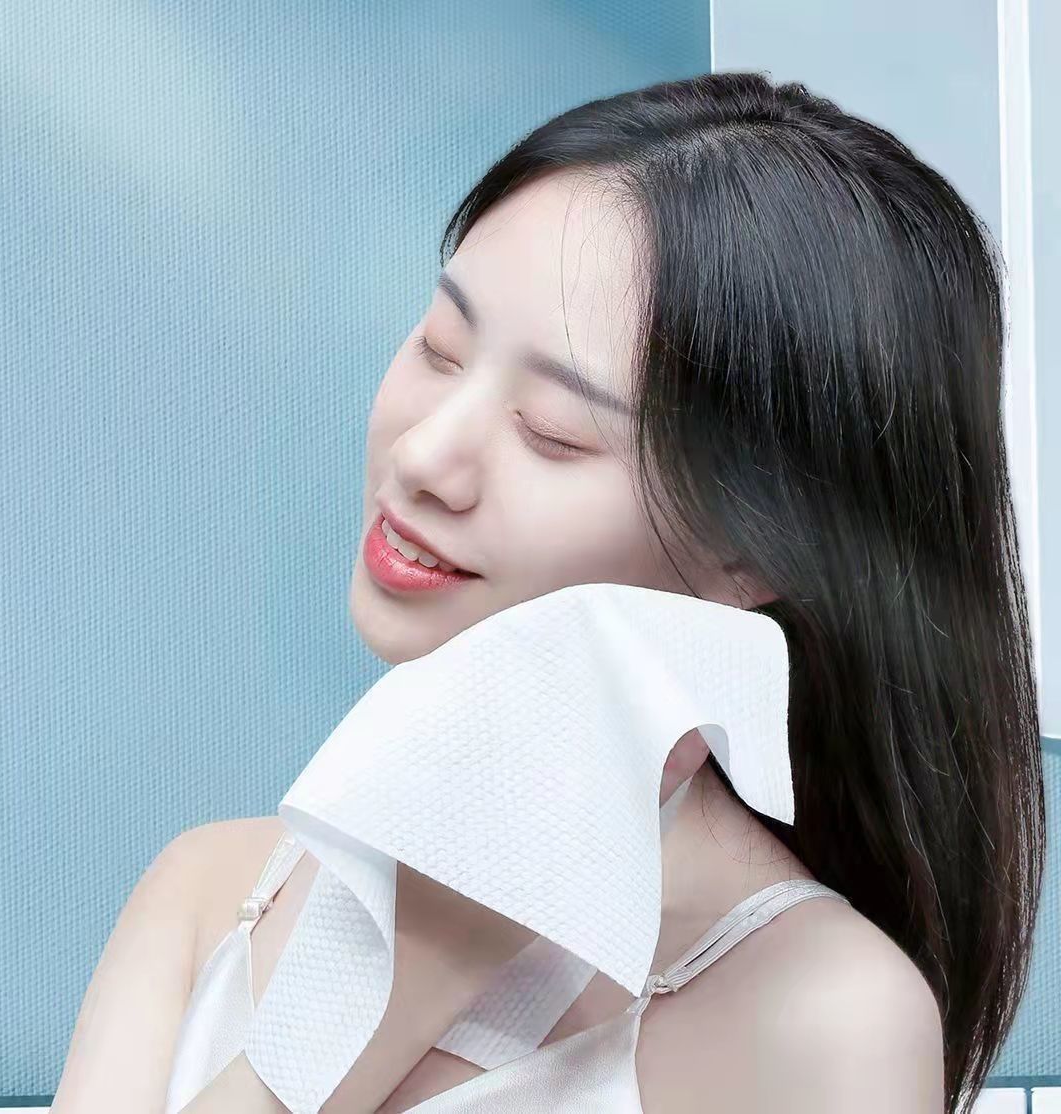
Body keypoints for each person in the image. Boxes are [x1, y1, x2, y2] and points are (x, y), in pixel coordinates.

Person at [51, 71, 1044, 1114]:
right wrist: (381, 993)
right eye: (440, 348)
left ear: (760, 551)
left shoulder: (819, 1016)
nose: (425, 456)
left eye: (554, 433)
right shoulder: (211, 891)